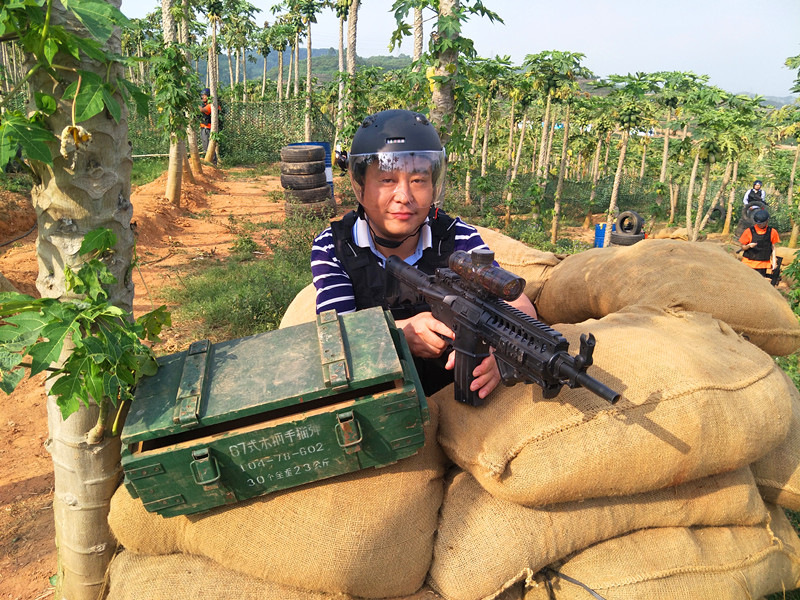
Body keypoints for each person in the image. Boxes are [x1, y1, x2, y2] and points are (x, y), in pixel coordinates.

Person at [311, 109, 537, 400]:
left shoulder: (459, 238)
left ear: (433, 185)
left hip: (454, 390)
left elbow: (517, 301)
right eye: (387, 180)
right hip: (380, 395)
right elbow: (334, 339)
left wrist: (502, 350)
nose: (404, 196)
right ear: (360, 185)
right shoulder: (335, 247)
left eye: (418, 180)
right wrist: (400, 334)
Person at [739, 208, 780, 280]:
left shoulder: (772, 232)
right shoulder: (749, 231)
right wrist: (749, 246)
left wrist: (774, 261)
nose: (759, 225)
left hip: (762, 264)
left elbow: (773, 247)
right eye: (758, 223)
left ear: (767, 221)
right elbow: (743, 247)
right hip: (748, 263)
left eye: (761, 223)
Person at [199, 88, 219, 165]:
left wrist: (193, 105)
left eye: (204, 96)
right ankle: (210, 162)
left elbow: (202, 110)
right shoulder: (206, 104)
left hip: (208, 128)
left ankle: (213, 163)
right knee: (205, 147)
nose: (203, 97)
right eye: (202, 96)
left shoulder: (211, 105)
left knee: (209, 147)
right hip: (204, 127)